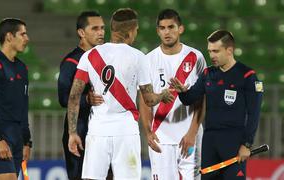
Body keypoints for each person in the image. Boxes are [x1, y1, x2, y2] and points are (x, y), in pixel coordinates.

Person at [67, 8, 174, 180]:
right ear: (131, 31)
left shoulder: (89, 56)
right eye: (136, 30)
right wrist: (163, 95)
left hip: (98, 131)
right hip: (126, 132)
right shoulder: (139, 57)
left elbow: (73, 97)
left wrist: (72, 133)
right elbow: (149, 99)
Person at [170, 30, 263, 180]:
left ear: (229, 50)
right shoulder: (208, 74)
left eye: (216, 51)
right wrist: (182, 91)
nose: (212, 55)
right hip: (210, 143)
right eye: (209, 51)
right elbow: (190, 99)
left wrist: (247, 144)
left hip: (233, 143)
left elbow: (254, 113)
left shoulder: (247, 76)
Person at [139, 9, 207, 180]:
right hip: (161, 137)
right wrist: (148, 131)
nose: (167, 32)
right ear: (157, 31)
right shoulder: (148, 60)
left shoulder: (196, 57)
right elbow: (144, 99)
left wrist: (193, 132)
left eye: (171, 27)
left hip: (189, 137)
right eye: (162, 28)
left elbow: (202, 98)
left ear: (180, 29)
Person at [57, 11, 111, 180]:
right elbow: (63, 98)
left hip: (104, 131)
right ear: (81, 32)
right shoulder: (71, 62)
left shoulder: (106, 58)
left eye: (102, 28)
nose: (101, 32)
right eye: (95, 28)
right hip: (80, 131)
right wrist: (86, 100)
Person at [0, 18, 32, 180]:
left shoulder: (22, 68)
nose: (27, 38)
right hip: (1, 134)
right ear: (9, 36)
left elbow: (24, 105)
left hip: (17, 138)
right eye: (22, 34)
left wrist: (27, 141)